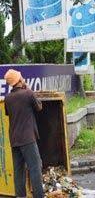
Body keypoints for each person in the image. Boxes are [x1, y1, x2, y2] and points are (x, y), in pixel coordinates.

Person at [3, 69, 44, 198]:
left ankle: (20, 196)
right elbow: (39, 107)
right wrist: (28, 89)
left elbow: (8, 113)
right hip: (27, 139)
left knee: (18, 170)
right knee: (35, 168)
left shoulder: (8, 98)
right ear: (19, 80)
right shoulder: (28, 93)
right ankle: (39, 196)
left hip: (14, 139)